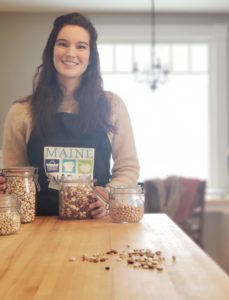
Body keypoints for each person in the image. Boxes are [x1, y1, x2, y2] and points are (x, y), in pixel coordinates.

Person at [0, 12, 140, 218]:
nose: (71, 53)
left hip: (96, 227)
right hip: (39, 227)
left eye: (81, 46)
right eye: (63, 44)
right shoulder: (21, 112)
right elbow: (14, 175)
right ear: (51, 51)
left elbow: (128, 167)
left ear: (91, 57)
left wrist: (108, 195)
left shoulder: (112, 106)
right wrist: (5, 186)